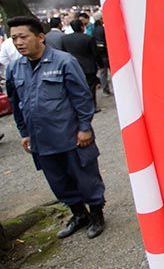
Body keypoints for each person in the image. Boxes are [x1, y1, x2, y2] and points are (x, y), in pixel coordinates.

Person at [5, 16, 106, 239]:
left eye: (23, 37)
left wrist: (85, 127)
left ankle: (97, 214)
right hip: (42, 141)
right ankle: (79, 214)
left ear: (40, 37)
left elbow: (82, 97)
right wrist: (24, 133)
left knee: (86, 177)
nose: (19, 42)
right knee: (59, 182)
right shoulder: (14, 69)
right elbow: (16, 104)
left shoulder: (63, 62)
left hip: (71, 136)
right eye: (14, 38)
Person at [61, 19, 101, 112]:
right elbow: (95, 54)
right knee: (90, 88)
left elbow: (64, 53)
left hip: (73, 67)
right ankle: (92, 106)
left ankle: (81, 106)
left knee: (78, 88)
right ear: (82, 27)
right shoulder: (88, 38)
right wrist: (100, 64)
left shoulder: (65, 39)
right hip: (88, 67)